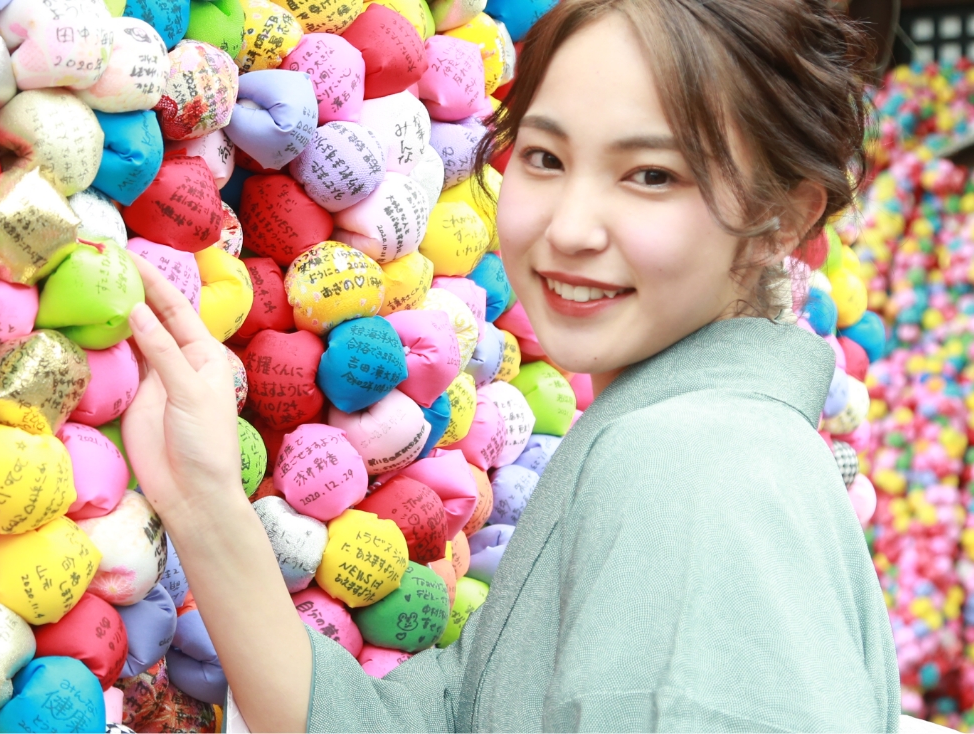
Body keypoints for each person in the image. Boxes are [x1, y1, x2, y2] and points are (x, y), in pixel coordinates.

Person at [115, 0, 901, 729]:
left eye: (651, 175)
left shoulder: (692, 466)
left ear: (780, 220)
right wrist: (203, 500)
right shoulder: (690, 443)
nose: (570, 229)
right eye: (545, 157)